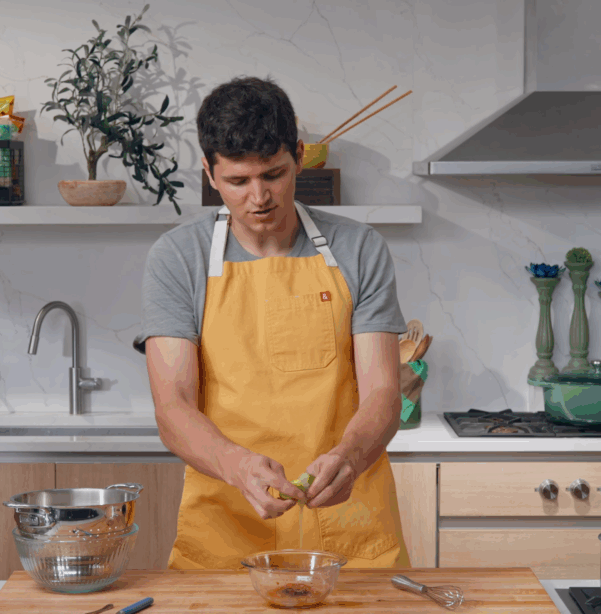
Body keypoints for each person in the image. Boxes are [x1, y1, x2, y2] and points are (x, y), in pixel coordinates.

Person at [133, 75, 410, 569]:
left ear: (299, 157)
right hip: (225, 537)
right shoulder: (178, 258)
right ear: (209, 172)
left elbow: (384, 393)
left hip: (350, 536)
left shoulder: (358, 249)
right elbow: (172, 407)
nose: (258, 197)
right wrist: (236, 466)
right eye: (238, 181)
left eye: (274, 175)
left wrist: (349, 456)